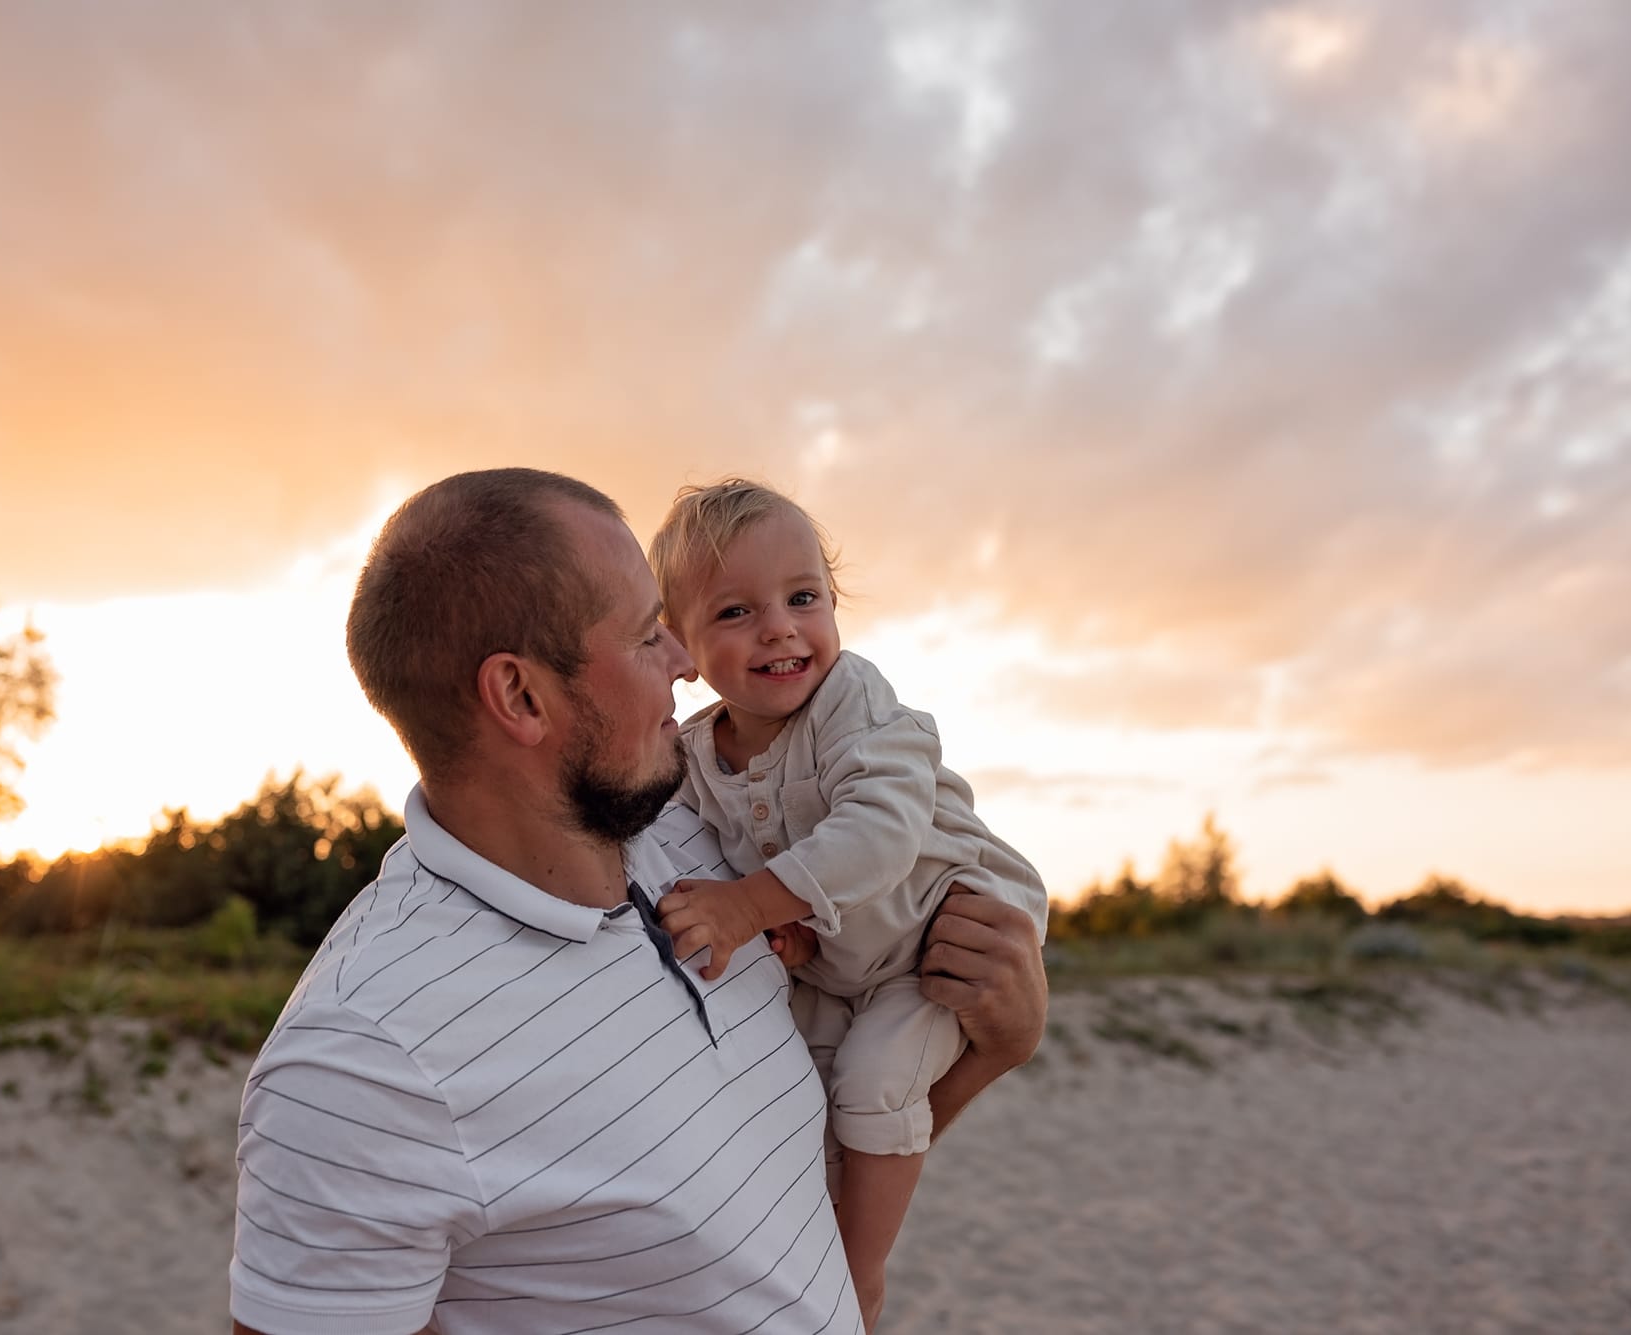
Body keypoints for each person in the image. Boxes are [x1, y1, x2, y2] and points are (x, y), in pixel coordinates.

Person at [230, 468, 1046, 1335]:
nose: (686, 663)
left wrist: (992, 1048)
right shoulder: (367, 1057)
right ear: (522, 696)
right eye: (647, 634)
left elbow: (797, 1165)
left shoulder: (710, 846)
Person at [647, 478, 1050, 1330]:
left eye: (803, 598)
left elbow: (879, 832)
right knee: (808, 1091)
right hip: (843, 957)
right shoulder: (688, 762)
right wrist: (780, 924)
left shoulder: (850, 699)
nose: (781, 626)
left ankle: (858, 1276)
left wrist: (750, 905)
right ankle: (809, 1253)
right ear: (678, 646)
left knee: (872, 1082)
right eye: (734, 612)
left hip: (939, 928)